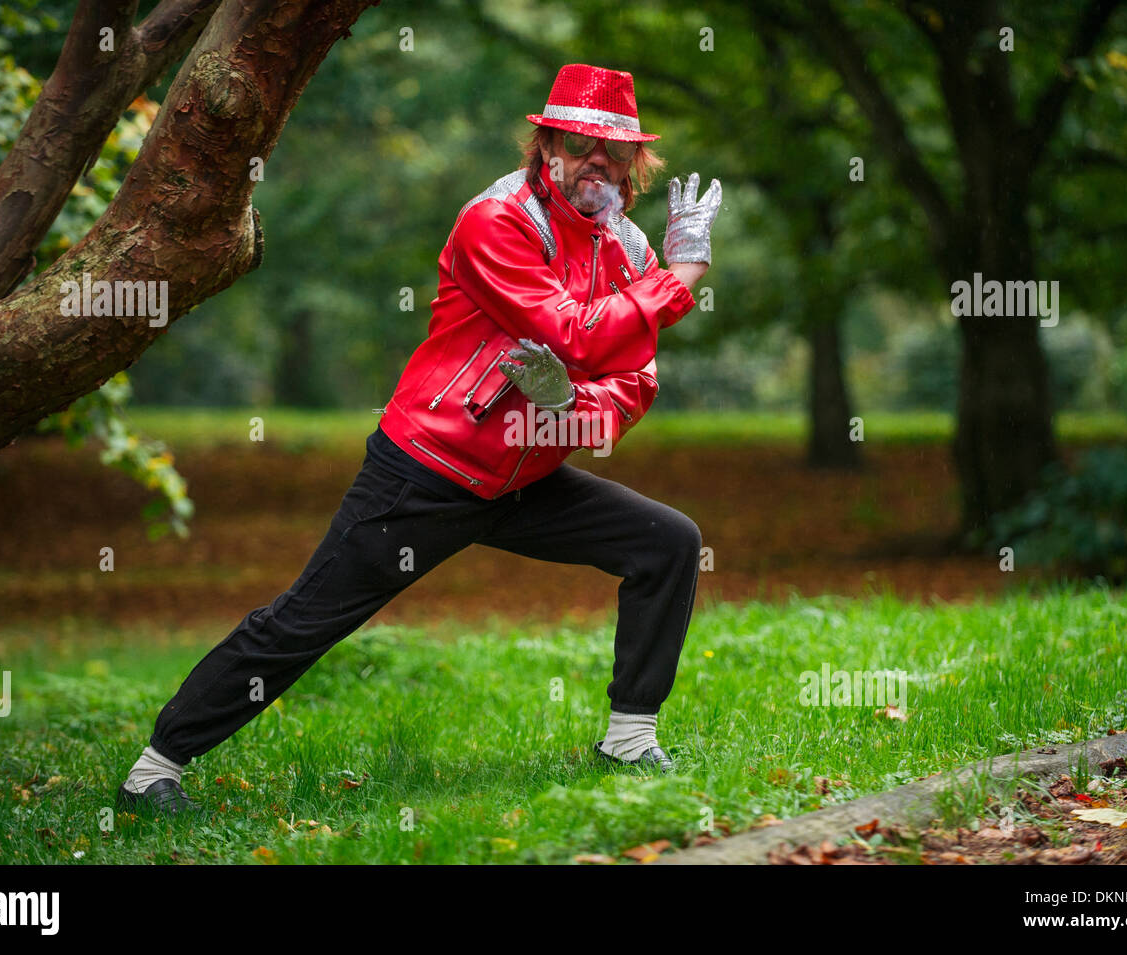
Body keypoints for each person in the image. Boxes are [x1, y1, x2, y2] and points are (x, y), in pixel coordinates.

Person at [116, 63, 723, 816]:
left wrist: (570, 407)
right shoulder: (498, 221)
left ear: (636, 163)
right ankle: (155, 766)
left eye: (615, 149)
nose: (598, 160)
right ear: (548, 148)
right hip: (431, 467)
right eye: (579, 141)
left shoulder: (629, 252)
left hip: (522, 475)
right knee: (307, 619)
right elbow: (572, 332)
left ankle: (629, 738)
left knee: (667, 542)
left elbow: (634, 384)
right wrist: (681, 278)